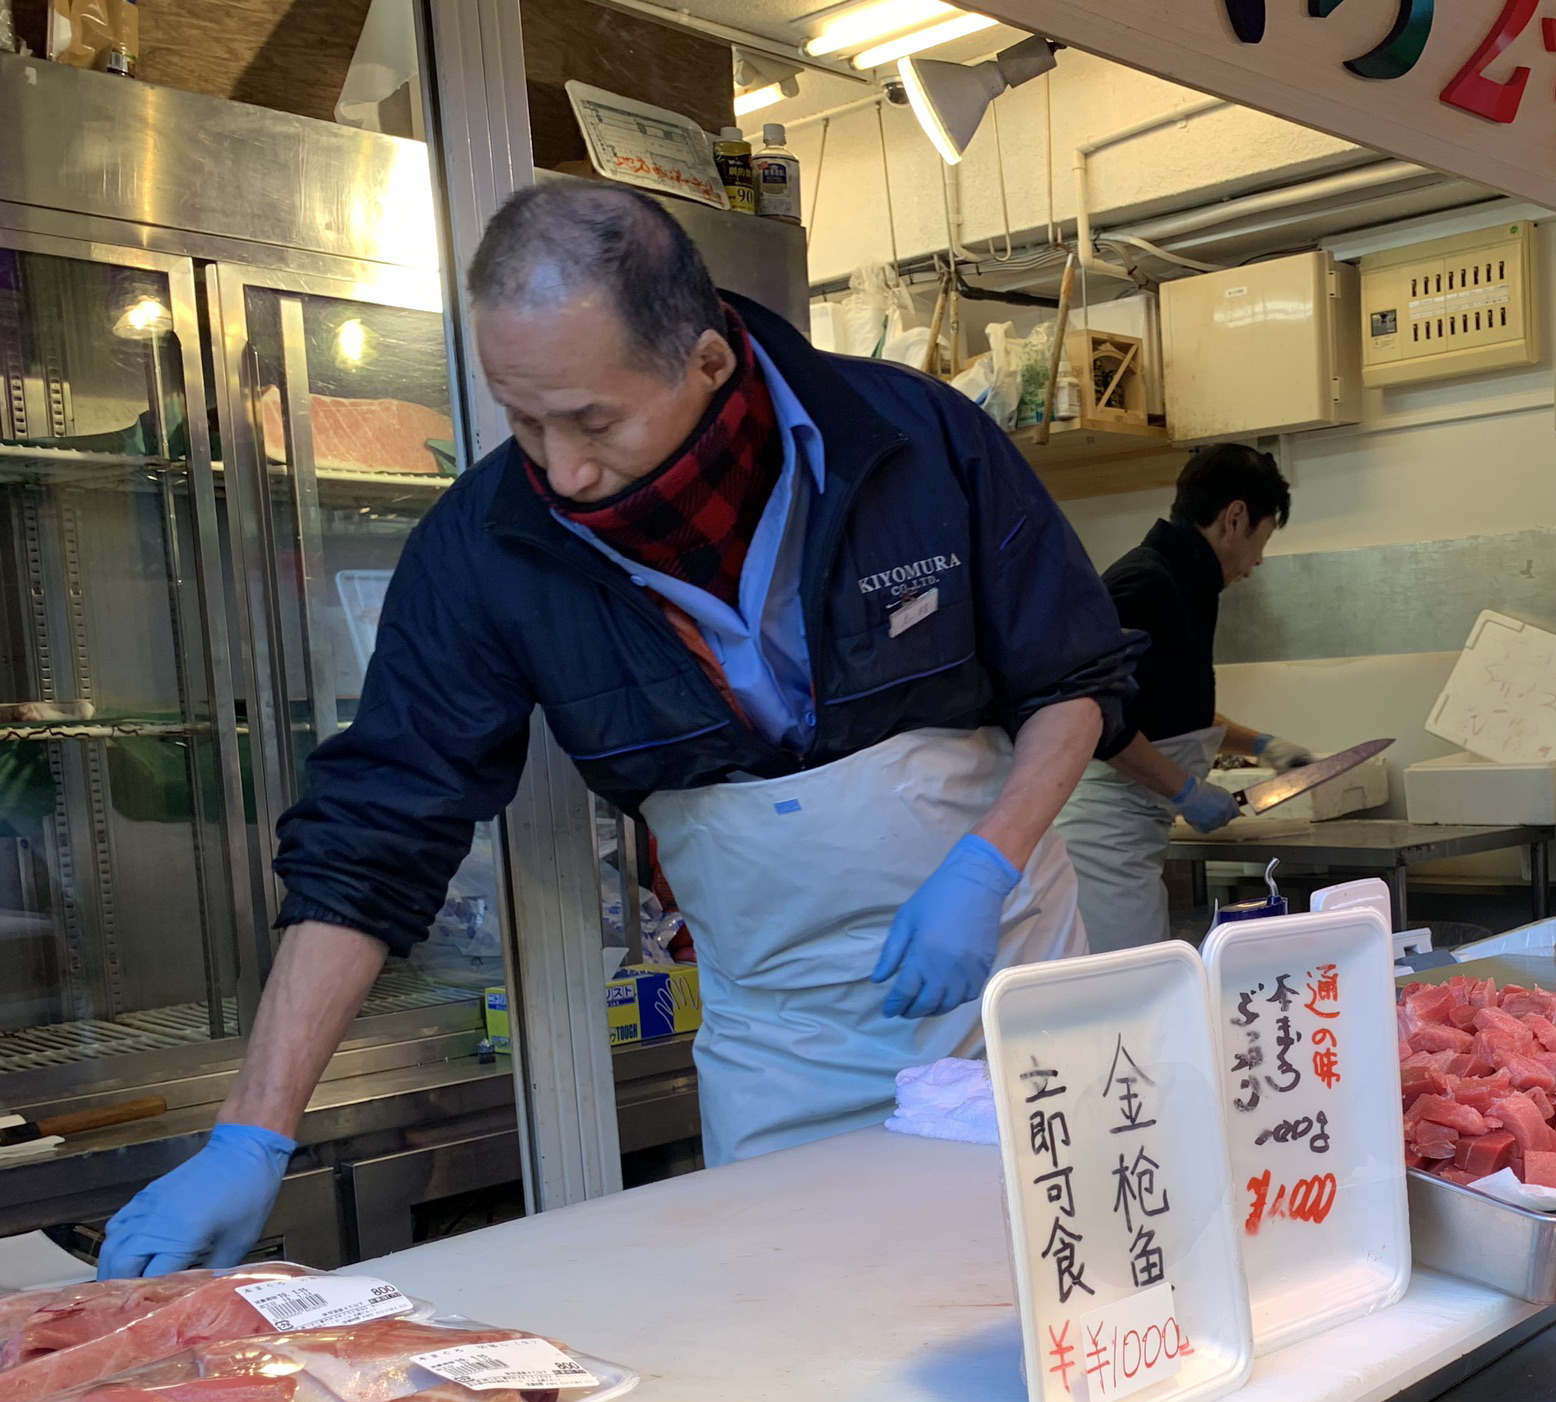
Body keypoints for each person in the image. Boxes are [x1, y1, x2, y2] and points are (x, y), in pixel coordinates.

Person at [97, 181, 1137, 1276]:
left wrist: (988, 858)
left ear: (707, 361)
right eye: (522, 419)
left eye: (594, 420)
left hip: (1005, 986)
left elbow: (1073, 678)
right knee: (810, 1324)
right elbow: (373, 833)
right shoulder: (485, 549)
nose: (563, 468)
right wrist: (254, 1130)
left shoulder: (913, 438)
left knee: (1060, 1280)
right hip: (781, 1042)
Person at [1056, 445, 1318, 950]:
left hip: (1134, 832)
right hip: (1100, 833)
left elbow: (1164, 706)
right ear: (1235, 518)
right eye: (1263, 539)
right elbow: (1089, 713)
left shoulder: (1187, 580)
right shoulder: (1145, 581)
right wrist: (1185, 790)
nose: (1258, 560)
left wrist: (1262, 744)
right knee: (1130, 992)